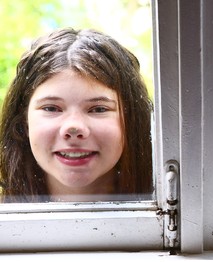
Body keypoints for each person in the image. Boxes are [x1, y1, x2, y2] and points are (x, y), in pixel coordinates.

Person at [0, 28, 153, 202]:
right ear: (23, 123)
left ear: (132, 120)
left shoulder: (177, 214)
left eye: (98, 109)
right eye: (51, 108)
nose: (73, 127)